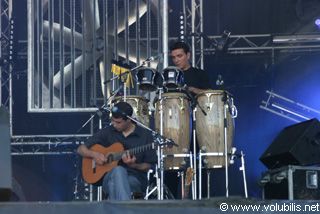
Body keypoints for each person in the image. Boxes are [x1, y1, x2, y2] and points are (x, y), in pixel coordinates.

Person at [77, 102, 157, 200]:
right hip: (108, 177)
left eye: (118, 122)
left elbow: (149, 166)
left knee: (113, 185)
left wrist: (134, 165)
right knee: (118, 171)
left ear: (129, 120)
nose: (114, 124)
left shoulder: (145, 135)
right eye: (112, 121)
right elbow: (81, 149)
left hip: (135, 178)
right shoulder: (108, 132)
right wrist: (94, 155)